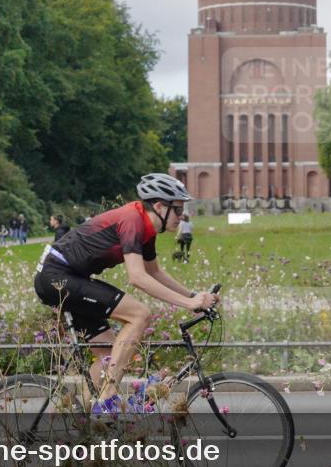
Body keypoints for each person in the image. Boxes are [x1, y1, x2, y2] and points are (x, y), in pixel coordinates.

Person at [33, 173, 219, 413]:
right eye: (177, 209)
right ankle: (108, 398)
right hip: (56, 276)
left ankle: (88, 427)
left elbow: (154, 272)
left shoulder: (148, 230)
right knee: (140, 315)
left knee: (107, 356)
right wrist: (188, 303)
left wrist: (196, 296)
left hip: (69, 278)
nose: (181, 216)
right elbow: (137, 277)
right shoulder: (132, 219)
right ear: (160, 206)